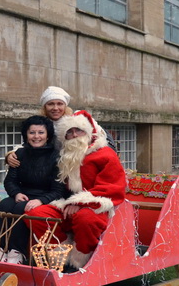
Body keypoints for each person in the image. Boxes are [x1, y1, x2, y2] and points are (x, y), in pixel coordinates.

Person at [25, 110, 127, 272]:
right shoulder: (64, 156)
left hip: (97, 205)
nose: (73, 135)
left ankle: (80, 258)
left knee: (85, 218)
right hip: (66, 204)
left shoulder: (105, 154)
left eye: (78, 130)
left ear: (88, 132)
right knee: (36, 214)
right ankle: (60, 251)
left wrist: (79, 203)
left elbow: (111, 187)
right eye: (69, 132)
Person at [0, 115, 66, 264]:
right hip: (22, 194)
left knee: (21, 209)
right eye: (32, 132)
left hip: (45, 196)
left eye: (41, 132)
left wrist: (41, 200)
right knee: (4, 205)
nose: (36, 136)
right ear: (26, 135)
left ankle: (17, 252)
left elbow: (59, 189)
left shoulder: (56, 156)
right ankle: (0, 248)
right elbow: (10, 180)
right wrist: (16, 193)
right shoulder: (20, 154)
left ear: (48, 136)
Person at [6, 86, 116, 168]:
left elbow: (102, 138)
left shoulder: (79, 119)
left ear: (65, 106)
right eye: (51, 104)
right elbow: (31, 143)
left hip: (85, 166)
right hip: (58, 170)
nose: (55, 108)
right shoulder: (42, 125)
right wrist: (11, 155)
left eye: (59, 104)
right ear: (45, 107)